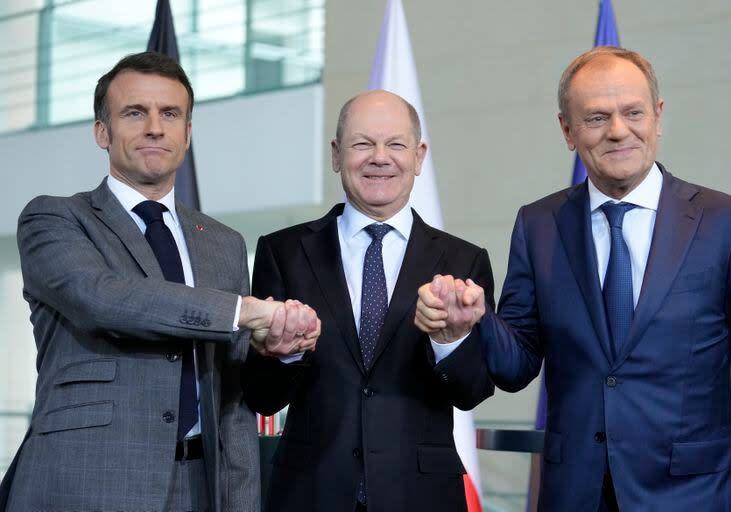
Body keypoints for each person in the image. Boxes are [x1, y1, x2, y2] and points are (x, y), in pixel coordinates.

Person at [416, 46, 731, 511]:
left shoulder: (727, 222)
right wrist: (476, 323)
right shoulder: (539, 225)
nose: (618, 130)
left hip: (692, 495)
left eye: (633, 112)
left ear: (658, 116)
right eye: (597, 117)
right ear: (567, 129)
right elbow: (518, 364)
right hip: (574, 495)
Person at [0, 51, 319, 512]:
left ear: (187, 134)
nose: (155, 127)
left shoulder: (224, 244)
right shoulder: (56, 219)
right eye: (135, 113)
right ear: (101, 132)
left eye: (170, 114)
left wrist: (283, 345)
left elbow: (231, 398)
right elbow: (105, 299)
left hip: (200, 486)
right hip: (84, 484)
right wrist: (245, 311)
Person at [241, 90, 495, 512]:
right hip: (310, 491)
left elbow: (473, 391)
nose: (380, 157)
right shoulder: (282, 251)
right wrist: (283, 355)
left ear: (419, 156)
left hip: (422, 495)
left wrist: (450, 340)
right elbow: (261, 396)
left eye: (396, 144)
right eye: (363, 144)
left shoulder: (463, 260)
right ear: (337, 154)